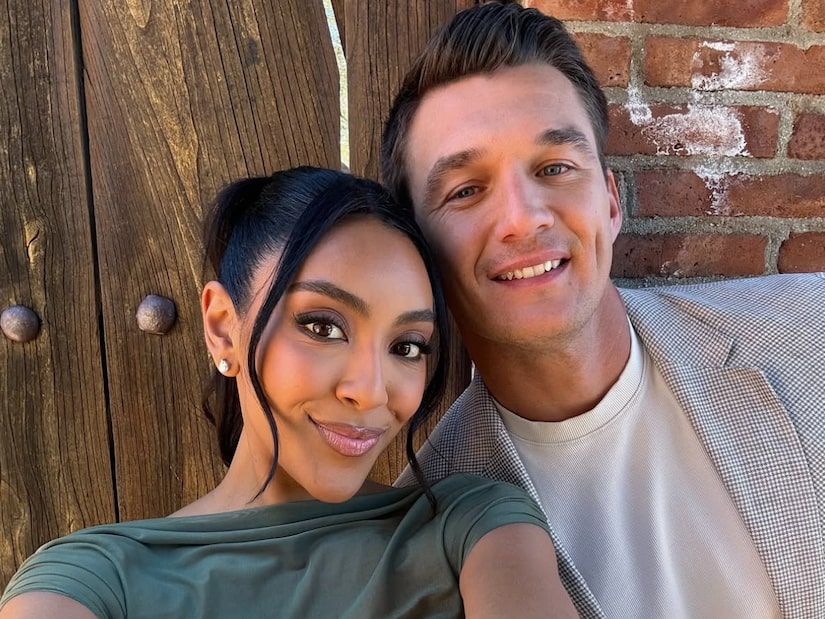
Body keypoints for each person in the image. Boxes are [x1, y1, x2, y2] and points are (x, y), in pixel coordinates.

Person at [381, 3, 825, 618]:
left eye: (555, 168)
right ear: (417, 250)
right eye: (467, 190)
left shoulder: (808, 327)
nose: (524, 218)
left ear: (611, 202)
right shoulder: (417, 549)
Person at [0, 167, 577, 618]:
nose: (370, 392)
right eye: (322, 327)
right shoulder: (93, 580)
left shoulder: (475, 528)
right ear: (222, 326)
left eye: (407, 346)